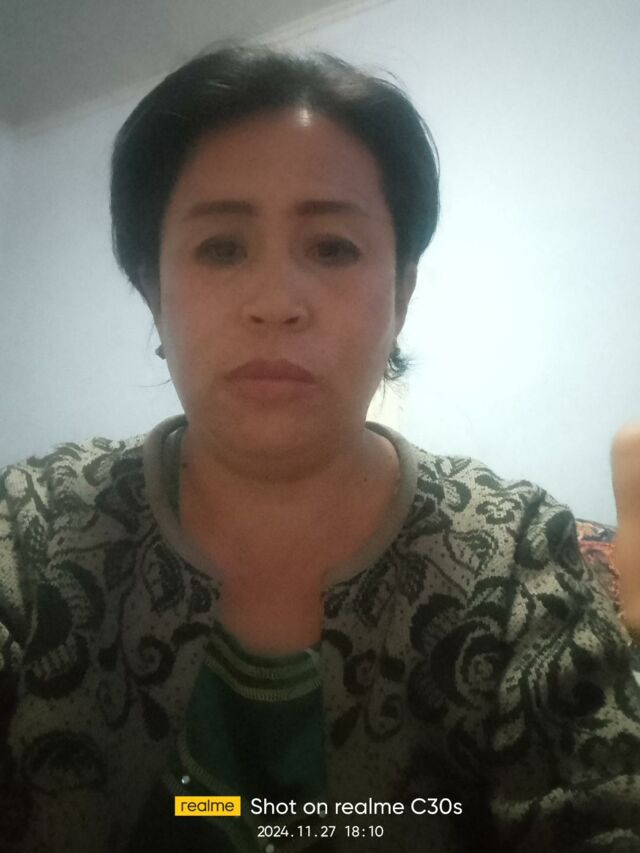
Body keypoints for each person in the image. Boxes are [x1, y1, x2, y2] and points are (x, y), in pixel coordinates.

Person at [1, 44, 639, 853]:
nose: (276, 303)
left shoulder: (517, 555)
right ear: (153, 291)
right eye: (222, 247)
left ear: (401, 294)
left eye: (333, 247)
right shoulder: (33, 531)